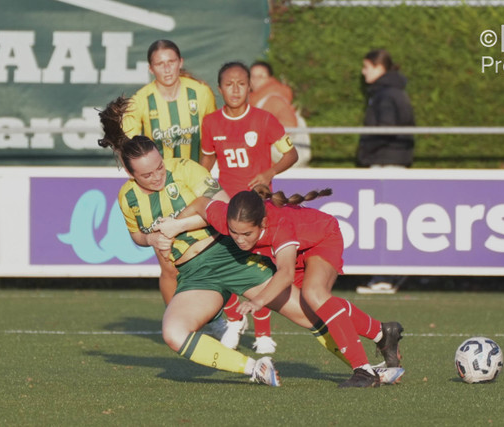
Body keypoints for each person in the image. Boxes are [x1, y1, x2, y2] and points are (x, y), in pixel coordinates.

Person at [98, 96, 336, 387]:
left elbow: (222, 208)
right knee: (174, 333)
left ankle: (366, 361)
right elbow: (137, 236)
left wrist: (175, 227)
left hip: (227, 254)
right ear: (129, 174)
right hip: (194, 275)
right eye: (147, 174)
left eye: (159, 166)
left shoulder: (185, 168)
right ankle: (255, 368)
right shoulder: (127, 197)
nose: (158, 176)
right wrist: (151, 237)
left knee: (307, 314)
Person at [189, 185, 405, 388]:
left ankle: (363, 371)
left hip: (322, 238)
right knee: (315, 308)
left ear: (262, 223)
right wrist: (171, 227)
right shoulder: (228, 218)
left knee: (315, 294)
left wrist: (258, 301)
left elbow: (285, 273)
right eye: (234, 233)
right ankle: (383, 333)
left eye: (247, 234)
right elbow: (200, 204)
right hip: (297, 251)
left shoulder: (279, 225)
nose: (239, 240)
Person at [119, 40, 222, 322]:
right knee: (170, 265)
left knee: (216, 250)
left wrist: (203, 176)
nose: (167, 68)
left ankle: (224, 317)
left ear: (180, 61)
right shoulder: (140, 100)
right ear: (151, 68)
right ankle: (178, 321)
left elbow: (211, 139)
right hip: (158, 188)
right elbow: (128, 148)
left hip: (194, 183)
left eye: (171, 61)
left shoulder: (200, 93)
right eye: (160, 63)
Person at [199, 62, 299, 354]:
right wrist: (203, 194)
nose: (235, 89)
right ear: (219, 89)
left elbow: (291, 154)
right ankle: (233, 320)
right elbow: (205, 166)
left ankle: (264, 335)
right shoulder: (211, 123)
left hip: (258, 205)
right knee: (229, 265)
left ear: (249, 87)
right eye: (229, 84)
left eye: (241, 83)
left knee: (260, 269)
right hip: (228, 206)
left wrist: (268, 174)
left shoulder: (265, 119)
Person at [356, 49, 415, 295]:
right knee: (387, 218)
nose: (363, 71)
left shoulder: (386, 94)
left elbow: (386, 129)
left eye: (366, 66)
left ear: (379, 67)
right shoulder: (392, 91)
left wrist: (365, 154)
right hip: (392, 160)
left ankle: (385, 276)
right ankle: (388, 274)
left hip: (386, 161)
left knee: (383, 219)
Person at [249, 61, 311, 167]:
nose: (256, 80)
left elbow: (289, 124)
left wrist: (263, 140)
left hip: (277, 161)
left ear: (270, 78)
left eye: (261, 76)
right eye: (252, 76)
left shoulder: (273, 99)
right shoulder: (256, 98)